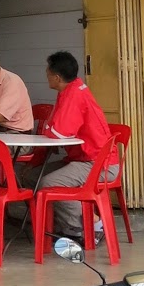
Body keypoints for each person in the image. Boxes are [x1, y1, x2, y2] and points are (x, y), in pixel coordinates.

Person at [30, 51, 119, 243]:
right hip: (83, 158)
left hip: (98, 163)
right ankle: (62, 225)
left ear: (56, 77)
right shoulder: (71, 90)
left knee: (49, 183)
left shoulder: (74, 94)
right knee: (32, 176)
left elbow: (59, 132)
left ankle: (93, 225)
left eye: (47, 72)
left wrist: (49, 129)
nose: (46, 76)